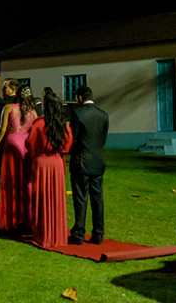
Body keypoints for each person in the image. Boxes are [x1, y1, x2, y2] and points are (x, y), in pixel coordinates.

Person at [27, 90, 73, 248]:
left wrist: (36, 155)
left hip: (42, 162)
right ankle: (56, 234)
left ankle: (42, 233)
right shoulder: (63, 125)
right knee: (56, 197)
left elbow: (30, 143)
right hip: (57, 163)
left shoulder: (39, 123)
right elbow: (68, 144)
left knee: (41, 197)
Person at [0, 81, 36, 231]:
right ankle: (26, 217)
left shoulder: (9, 108)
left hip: (11, 145)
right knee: (24, 182)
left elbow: (2, 130)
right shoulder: (33, 112)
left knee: (10, 181)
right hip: (25, 146)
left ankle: (11, 218)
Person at [68, 85, 109, 245]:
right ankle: (98, 233)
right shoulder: (103, 115)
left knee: (80, 198)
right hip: (98, 161)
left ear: (79, 97)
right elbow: (102, 138)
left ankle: (79, 232)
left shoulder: (77, 114)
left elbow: (74, 138)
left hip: (81, 161)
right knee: (97, 199)